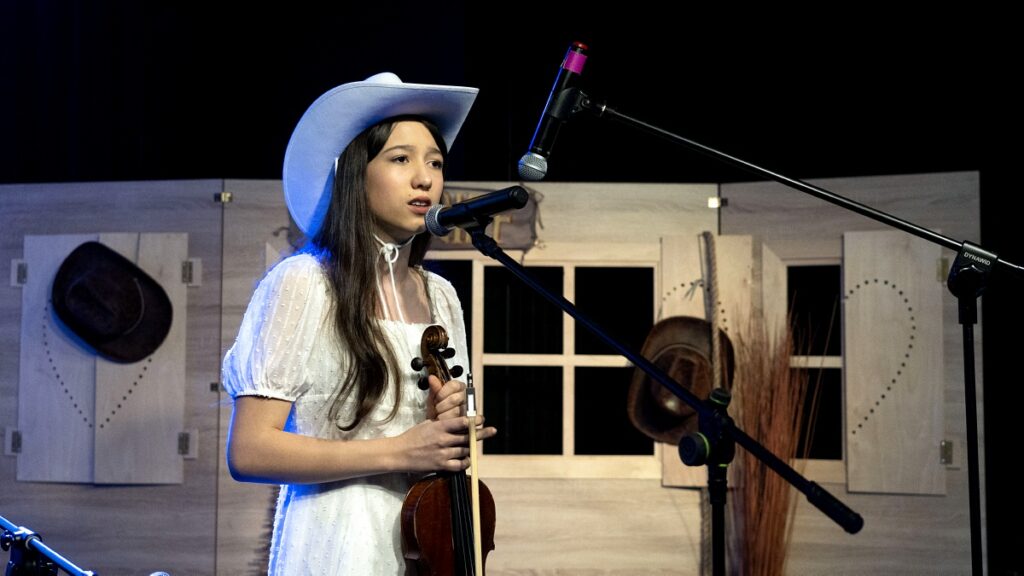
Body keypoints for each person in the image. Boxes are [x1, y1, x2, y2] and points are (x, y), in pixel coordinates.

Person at [221, 72, 496, 575]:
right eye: (401, 159)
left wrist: (446, 427)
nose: (425, 178)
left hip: (428, 542)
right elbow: (250, 450)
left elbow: (430, 445)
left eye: (435, 162)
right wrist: (399, 452)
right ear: (354, 173)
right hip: (336, 543)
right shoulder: (304, 282)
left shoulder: (440, 295)